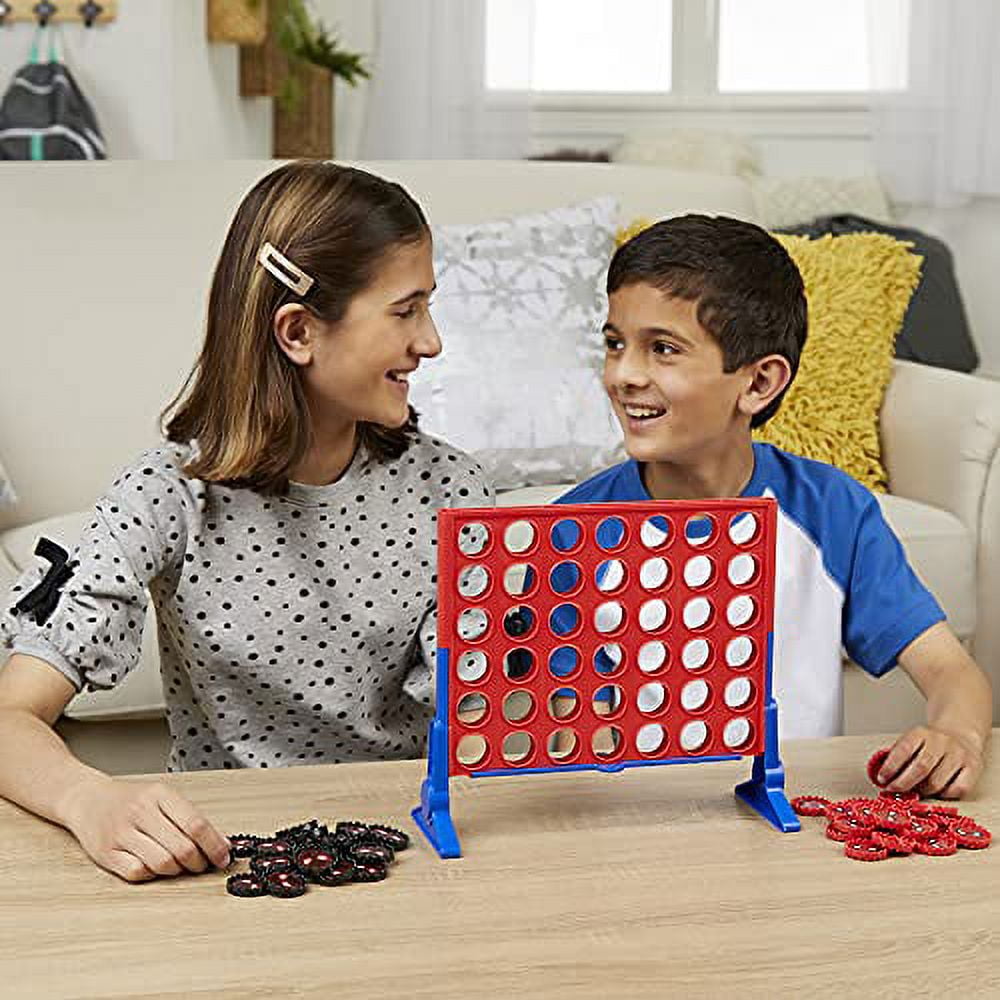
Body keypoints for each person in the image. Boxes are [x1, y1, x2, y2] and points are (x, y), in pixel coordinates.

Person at [0, 161, 492, 882]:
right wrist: (88, 800)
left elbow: (488, 714)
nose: (432, 341)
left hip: (411, 854)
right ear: (297, 332)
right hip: (229, 861)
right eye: (405, 310)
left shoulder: (452, 490)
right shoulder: (164, 494)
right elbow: (10, 720)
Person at [555, 214, 992, 795]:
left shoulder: (833, 513)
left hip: (791, 828)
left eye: (663, 349)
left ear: (759, 384)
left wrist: (956, 734)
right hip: (635, 834)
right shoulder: (570, 531)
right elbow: (565, 730)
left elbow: (950, 670)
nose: (623, 375)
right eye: (615, 344)